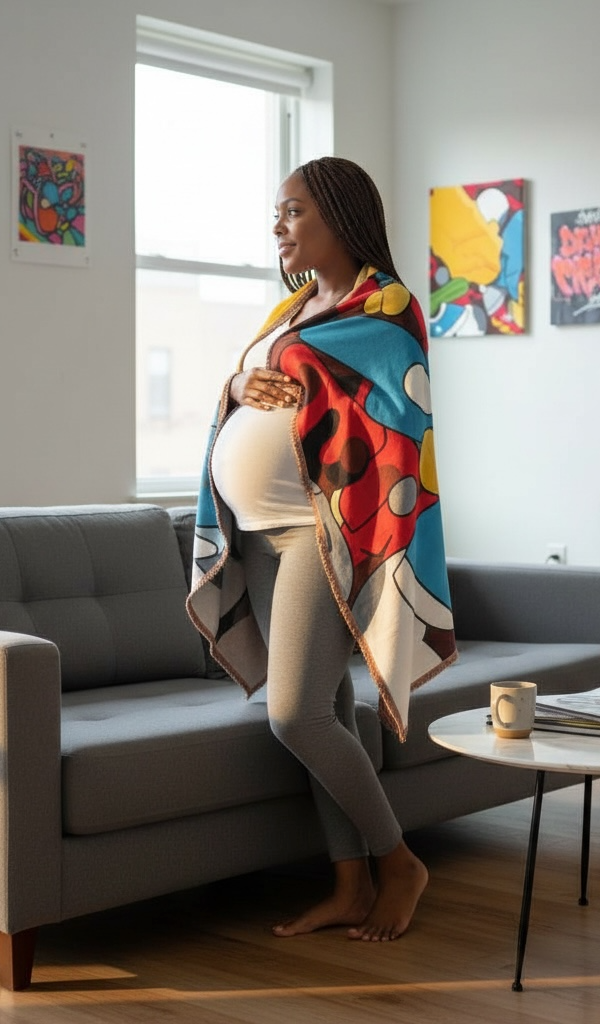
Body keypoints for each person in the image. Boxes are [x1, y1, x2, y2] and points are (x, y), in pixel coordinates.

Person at [187, 156, 457, 942]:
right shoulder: (290, 311)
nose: (279, 227)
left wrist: (268, 370)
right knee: (327, 705)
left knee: (295, 716)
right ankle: (350, 884)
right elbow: (252, 379)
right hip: (260, 536)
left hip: (320, 532)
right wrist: (237, 389)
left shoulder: (387, 304)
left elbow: (385, 403)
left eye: (293, 211)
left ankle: (399, 860)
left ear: (339, 217)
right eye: (276, 213)